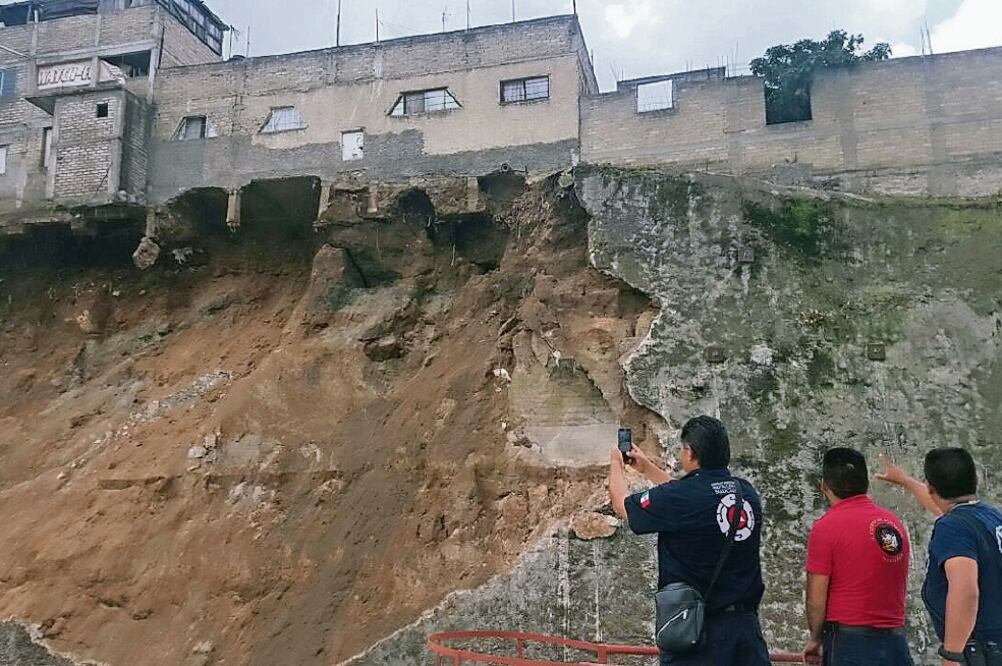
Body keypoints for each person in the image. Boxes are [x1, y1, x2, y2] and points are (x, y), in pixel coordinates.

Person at [608, 415, 770, 666]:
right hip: (745, 634)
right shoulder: (745, 492)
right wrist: (648, 469)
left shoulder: (681, 498)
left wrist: (616, 463)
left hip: (697, 634)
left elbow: (623, 507)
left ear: (690, 452)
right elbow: (696, 498)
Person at [878, 448, 1002, 666]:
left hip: (981, 649)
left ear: (930, 486)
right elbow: (943, 506)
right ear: (976, 478)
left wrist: (952, 654)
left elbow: (965, 591)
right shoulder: (989, 516)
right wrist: (905, 480)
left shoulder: (953, 527)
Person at [802, 447, 913, 665]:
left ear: (824, 486)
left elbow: (817, 597)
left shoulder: (826, 527)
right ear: (866, 483)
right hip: (896, 642)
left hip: (849, 643)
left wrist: (815, 639)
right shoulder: (893, 524)